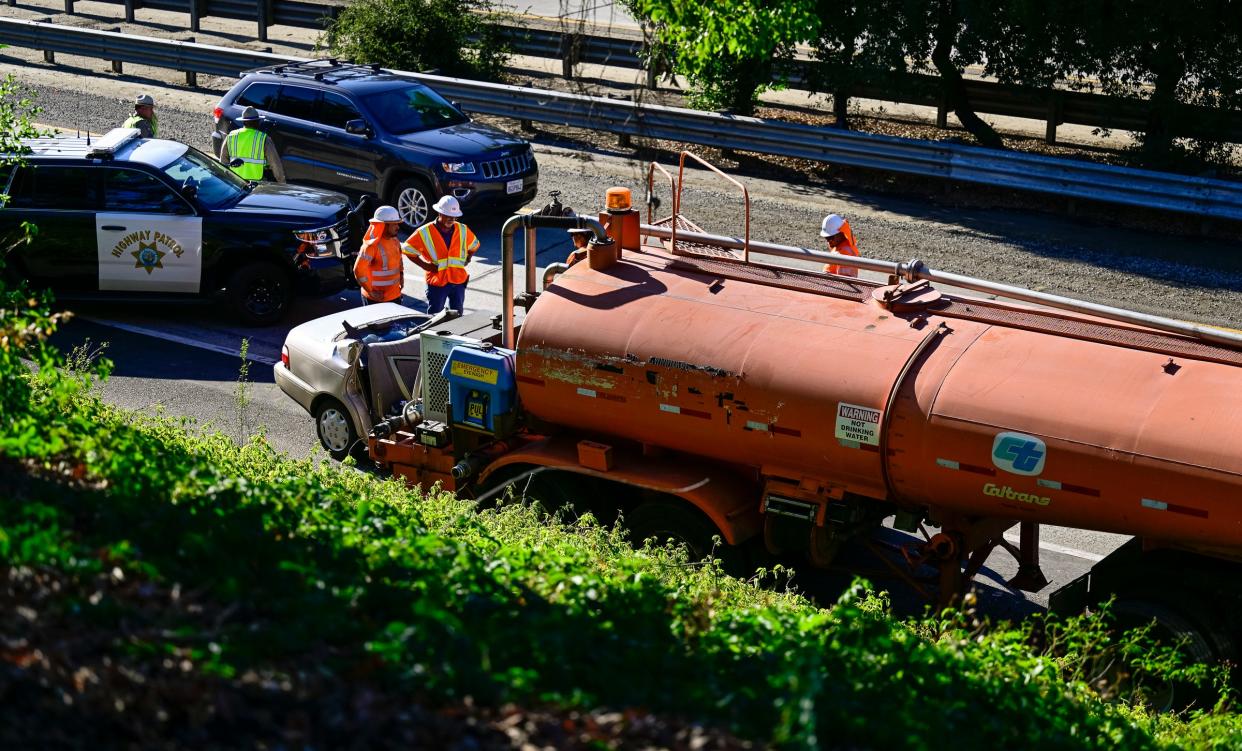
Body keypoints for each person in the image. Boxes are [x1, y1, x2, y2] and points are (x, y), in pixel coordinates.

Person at [401, 195, 480, 315]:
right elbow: (408, 249)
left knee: (457, 316)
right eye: (448, 215)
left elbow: (474, 245)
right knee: (435, 316)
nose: (451, 219)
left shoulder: (462, 229)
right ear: (439, 213)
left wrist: (469, 257)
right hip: (437, 283)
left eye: (454, 216)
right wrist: (425, 266)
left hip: (457, 280)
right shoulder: (425, 231)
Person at [353, 205, 407, 306]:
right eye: (394, 224)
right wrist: (370, 291)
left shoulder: (395, 240)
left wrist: (401, 275)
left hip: (395, 296)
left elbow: (399, 259)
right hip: (376, 300)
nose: (398, 227)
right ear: (383, 225)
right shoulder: (371, 246)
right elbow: (358, 270)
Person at [218, 106, 285, 183]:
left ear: (243, 121)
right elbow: (275, 164)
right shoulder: (264, 138)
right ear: (257, 122)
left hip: (236, 181)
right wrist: (282, 183)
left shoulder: (231, 136)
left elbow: (223, 161)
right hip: (256, 182)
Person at [820, 213, 860, 277]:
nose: (828, 241)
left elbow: (843, 283)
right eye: (826, 238)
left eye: (830, 238)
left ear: (841, 233)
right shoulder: (839, 247)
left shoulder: (845, 253)